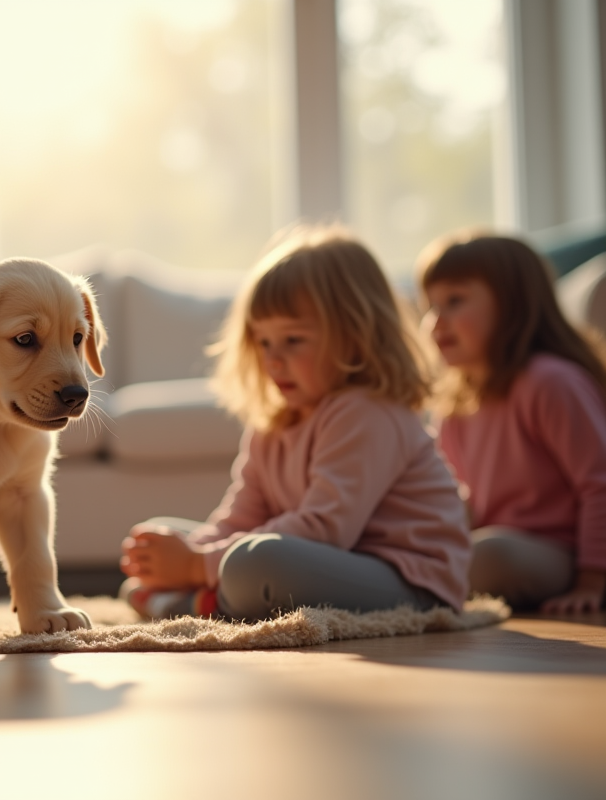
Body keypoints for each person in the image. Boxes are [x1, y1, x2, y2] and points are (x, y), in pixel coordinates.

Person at [119, 226, 470, 620]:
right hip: (333, 562)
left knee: (259, 562)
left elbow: (325, 528)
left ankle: (199, 602)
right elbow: (242, 516)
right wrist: (187, 553)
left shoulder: (369, 413)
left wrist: (194, 566)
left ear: (356, 336)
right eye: (264, 342)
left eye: (293, 340)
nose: (273, 360)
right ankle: (199, 600)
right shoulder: (275, 421)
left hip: (411, 579)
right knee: (159, 535)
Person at [418, 231, 606, 614]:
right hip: (498, 544)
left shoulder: (549, 381)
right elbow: (462, 500)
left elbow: (599, 482)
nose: (436, 321)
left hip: (563, 552)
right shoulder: (455, 404)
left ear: (512, 306)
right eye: (431, 305)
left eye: (454, 301)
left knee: (490, 555)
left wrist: (593, 578)